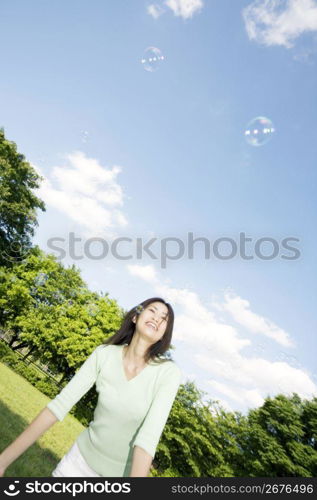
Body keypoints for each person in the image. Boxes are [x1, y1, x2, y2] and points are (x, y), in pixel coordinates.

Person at [0, 297, 182, 477]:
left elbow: (147, 440)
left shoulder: (168, 374)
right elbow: (58, 406)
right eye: (152, 310)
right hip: (77, 464)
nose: (157, 318)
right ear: (135, 317)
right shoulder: (103, 354)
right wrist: (3, 462)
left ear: (164, 335)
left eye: (164, 318)